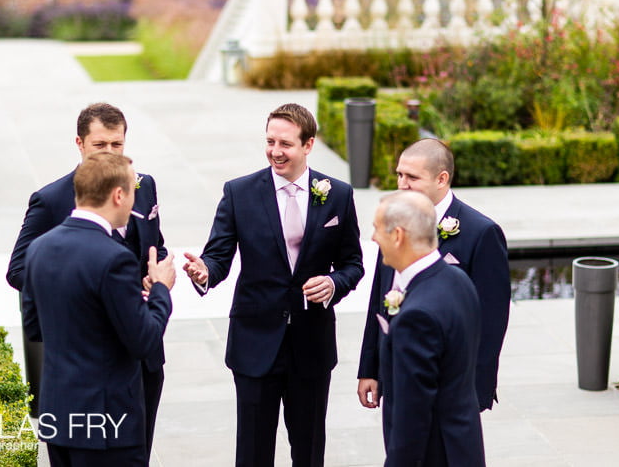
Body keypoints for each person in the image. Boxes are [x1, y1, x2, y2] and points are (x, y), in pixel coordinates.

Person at [182, 103, 364, 467]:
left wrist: (333, 283)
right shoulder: (239, 193)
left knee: (309, 451)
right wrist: (205, 273)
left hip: (311, 345)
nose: (275, 152)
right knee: (252, 452)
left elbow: (353, 264)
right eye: (270, 142)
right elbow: (218, 256)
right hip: (255, 343)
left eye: (286, 144)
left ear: (308, 145)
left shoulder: (338, 195)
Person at [7, 102, 167, 461]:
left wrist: (147, 276)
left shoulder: (144, 185)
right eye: (101, 146)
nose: (110, 154)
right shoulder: (51, 200)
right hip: (92, 367)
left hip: (142, 365)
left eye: (117, 145)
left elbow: (153, 246)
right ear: (79, 143)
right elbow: (19, 270)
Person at [358, 138, 510, 412]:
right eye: (399, 174)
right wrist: (370, 367)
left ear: (441, 179)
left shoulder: (481, 233)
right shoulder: (395, 222)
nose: (402, 184)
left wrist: (471, 392)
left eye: (412, 177)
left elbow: (491, 323)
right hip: (395, 376)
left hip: (448, 387)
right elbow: (378, 298)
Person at [372, 191, 484, 466]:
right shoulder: (458, 279)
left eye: (376, 230)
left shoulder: (417, 316)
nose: (373, 238)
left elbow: (413, 416)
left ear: (398, 236)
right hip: (463, 446)